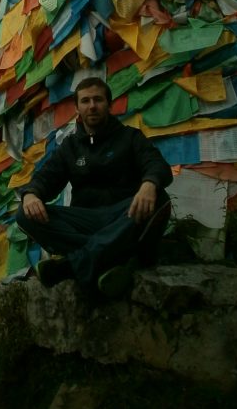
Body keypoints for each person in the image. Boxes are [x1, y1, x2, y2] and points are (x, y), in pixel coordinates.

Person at [15, 76, 173, 297]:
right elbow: (46, 179)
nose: (92, 106)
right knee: (24, 213)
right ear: (77, 107)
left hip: (122, 217)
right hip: (86, 221)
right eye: (86, 101)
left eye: (98, 100)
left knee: (160, 198)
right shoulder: (69, 147)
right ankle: (114, 257)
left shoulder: (130, 137)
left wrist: (149, 184)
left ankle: (73, 264)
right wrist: (31, 194)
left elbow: (157, 165)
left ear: (109, 104)